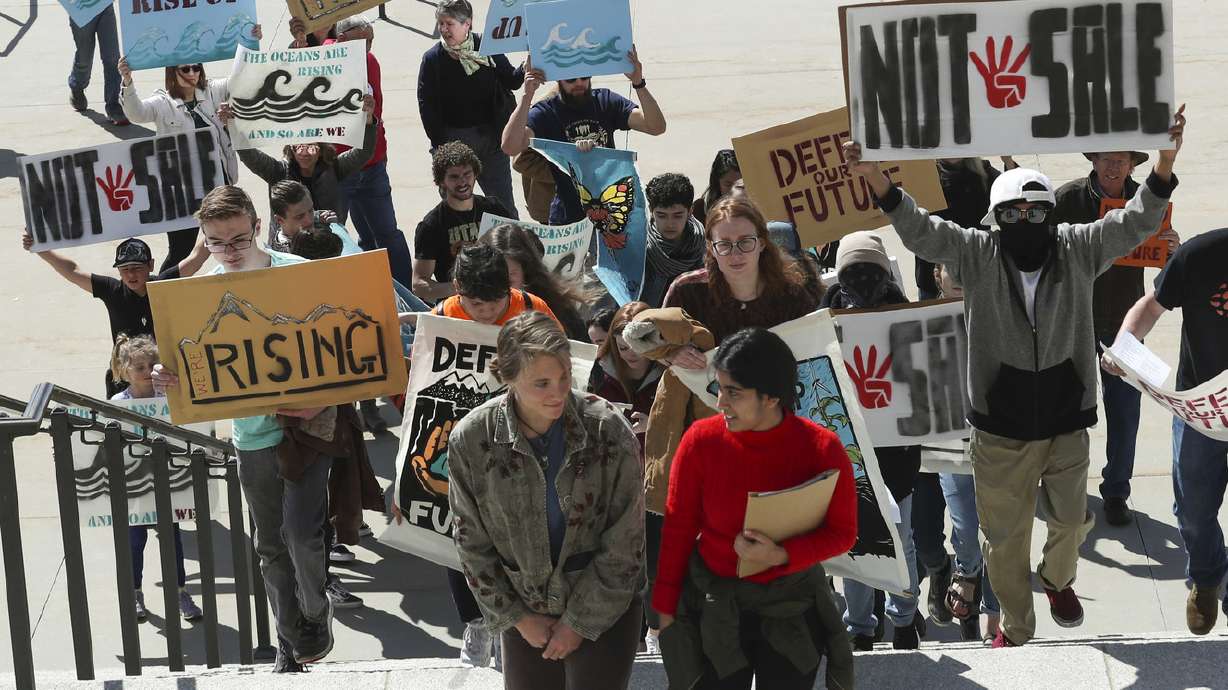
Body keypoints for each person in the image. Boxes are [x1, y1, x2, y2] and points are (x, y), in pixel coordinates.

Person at [841, 104, 1187, 648]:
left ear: (1050, 215)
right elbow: (920, 230)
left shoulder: (1078, 247)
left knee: (1072, 522)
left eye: (1035, 214)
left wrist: (1164, 163)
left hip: (1066, 417)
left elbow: (1137, 221)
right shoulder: (978, 254)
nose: (1023, 224)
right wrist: (878, 181)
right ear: (994, 220)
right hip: (998, 427)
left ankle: (1057, 580)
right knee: (1004, 541)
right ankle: (1016, 632)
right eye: (1012, 215)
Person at [151, 186, 334, 671]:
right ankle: (289, 646)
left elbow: (342, 354)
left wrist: (320, 399)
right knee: (269, 546)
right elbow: (190, 365)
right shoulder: (199, 294)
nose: (228, 252)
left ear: (256, 226)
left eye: (236, 239)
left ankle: (317, 613)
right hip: (250, 437)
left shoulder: (298, 274)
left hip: (307, 428)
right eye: (216, 242)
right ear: (204, 241)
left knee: (301, 536)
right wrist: (166, 377)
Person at [448, 311, 645, 690]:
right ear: (508, 377)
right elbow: (470, 543)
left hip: (604, 605)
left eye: (564, 377)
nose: (557, 392)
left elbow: (626, 543)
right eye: (541, 383)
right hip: (525, 610)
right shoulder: (472, 439)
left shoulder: (606, 428)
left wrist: (577, 624)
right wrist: (517, 618)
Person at [653, 327, 856, 689]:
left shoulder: (821, 448)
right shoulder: (700, 441)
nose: (720, 403)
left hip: (792, 607)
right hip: (714, 606)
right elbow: (678, 528)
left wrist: (782, 555)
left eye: (734, 393)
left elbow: (843, 533)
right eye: (718, 388)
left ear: (772, 397)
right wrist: (666, 609)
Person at [425, 243, 562, 668]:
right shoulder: (444, 315)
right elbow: (422, 389)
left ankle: (512, 623)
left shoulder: (532, 308)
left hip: (524, 444)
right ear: (459, 290)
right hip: (464, 447)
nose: (486, 313)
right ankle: (475, 622)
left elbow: (560, 366)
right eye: (477, 303)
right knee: (461, 536)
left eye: (495, 302)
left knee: (517, 537)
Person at [1102, 227, 1228, 636]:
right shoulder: (1200, 254)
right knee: (1193, 509)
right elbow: (1153, 305)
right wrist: (1125, 345)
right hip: (1201, 410)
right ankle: (1206, 577)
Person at [1052, 151, 1181, 527]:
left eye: (1121, 161)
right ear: (1093, 161)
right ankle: (1066, 491)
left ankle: (1117, 492)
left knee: (1125, 413)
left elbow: (1167, 270)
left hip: (1125, 324)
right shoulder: (1067, 200)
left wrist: (1171, 250)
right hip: (1073, 322)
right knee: (1068, 415)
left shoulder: (1148, 201)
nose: (1113, 166)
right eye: (1106, 159)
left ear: (1132, 166)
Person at [819, 232, 925, 650]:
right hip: (849, 451)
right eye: (853, 271)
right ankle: (860, 627)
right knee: (857, 541)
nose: (863, 279)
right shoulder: (823, 318)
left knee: (901, 539)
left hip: (897, 452)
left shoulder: (905, 316)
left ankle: (902, 619)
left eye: (871, 271)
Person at [118, 28, 259, 271]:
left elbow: (245, 76)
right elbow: (135, 113)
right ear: (173, 72)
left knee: (234, 244)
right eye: (186, 69)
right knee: (181, 251)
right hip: (181, 191)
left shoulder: (214, 90)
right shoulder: (163, 103)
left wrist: (251, 40)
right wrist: (128, 81)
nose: (193, 73)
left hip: (219, 186)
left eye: (197, 68)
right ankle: (163, 294)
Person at [21, 233, 210, 396]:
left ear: (151, 265)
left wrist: (215, 226)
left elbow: (196, 258)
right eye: (124, 269)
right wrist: (40, 249)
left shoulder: (162, 285)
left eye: (137, 267)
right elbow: (73, 271)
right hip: (124, 377)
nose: (130, 274)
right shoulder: (112, 290)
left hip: (162, 374)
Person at [501, 48, 666, 224]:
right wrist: (527, 95)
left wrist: (638, 83)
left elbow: (656, 126)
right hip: (567, 217)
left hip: (609, 211)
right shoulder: (546, 112)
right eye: (571, 79)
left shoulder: (605, 101)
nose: (579, 83)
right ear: (558, 80)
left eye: (584, 77)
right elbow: (510, 146)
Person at [929, 263, 1001, 643]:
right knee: (966, 529)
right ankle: (968, 573)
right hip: (950, 444)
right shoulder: (918, 321)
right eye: (949, 264)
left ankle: (994, 616)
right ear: (936, 274)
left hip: (997, 442)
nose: (958, 274)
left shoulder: (997, 312)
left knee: (1001, 532)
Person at [109, 334, 203, 624]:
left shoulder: (168, 398)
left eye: (153, 364)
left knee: (172, 542)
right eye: (139, 367)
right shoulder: (117, 403)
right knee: (134, 542)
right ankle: (134, 592)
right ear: (124, 370)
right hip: (133, 486)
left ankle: (179, 592)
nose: (148, 371)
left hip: (166, 483)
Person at [588, 301, 664, 652]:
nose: (631, 355)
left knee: (657, 562)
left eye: (639, 347)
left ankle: (657, 630)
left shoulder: (672, 371)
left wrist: (656, 425)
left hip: (659, 482)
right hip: (612, 482)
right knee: (618, 562)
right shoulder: (598, 372)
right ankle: (628, 636)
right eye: (622, 348)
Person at [331, 14, 415, 290]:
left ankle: (406, 294)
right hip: (339, 169)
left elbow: (376, 110)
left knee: (387, 233)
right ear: (341, 40)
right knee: (338, 236)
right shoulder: (322, 60)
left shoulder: (369, 61)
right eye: (363, 42)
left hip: (372, 163)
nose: (368, 48)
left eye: (371, 41)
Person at [418, 0, 524, 214]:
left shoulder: (487, 46)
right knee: (458, 210)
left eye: (449, 24)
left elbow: (511, 80)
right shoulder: (432, 59)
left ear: (467, 24)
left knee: (504, 207)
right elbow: (426, 107)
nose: (443, 29)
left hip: (491, 142)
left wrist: (528, 66)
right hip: (454, 144)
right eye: (440, 24)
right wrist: (442, 148)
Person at [230, 98, 377, 223]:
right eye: (299, 146)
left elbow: (363, 153)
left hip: (329, 241)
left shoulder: (335, 167)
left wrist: (368, 120)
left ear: (321, 150)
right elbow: (249, 155)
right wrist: (232, 125)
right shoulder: (277, 172)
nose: (304, 152)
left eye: (311, 147)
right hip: (289, 246)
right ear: (291, 149)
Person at [413, 142, 513, 301]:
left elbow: (518, 251)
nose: (462, 182)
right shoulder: (431, 225)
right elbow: (419, 284)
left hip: (499, 296)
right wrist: (463, 287)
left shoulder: (494, 208)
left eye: (467, 174)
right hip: (459, 303)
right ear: (441, 181)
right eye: (454, 177)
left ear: (475, 174)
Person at [915, 157, 1018, 300]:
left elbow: (1015, 194)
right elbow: (899, 207)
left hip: (976, 271)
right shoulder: (920, 174)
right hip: (932, 275)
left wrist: (1009, 162)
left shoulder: (983, 171)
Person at [479, 223, 587, 340]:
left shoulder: (561, 315)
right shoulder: (463, 308)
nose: (498, 292)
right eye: (490, 281)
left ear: (526, 274)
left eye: (508, 282)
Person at [640, 173, 706, 308]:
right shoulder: (640, 246)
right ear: (651, 211)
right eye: (662, 216)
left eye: (677, 216)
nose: (670, 224)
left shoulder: (702, 245)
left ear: (690, 212)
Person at [68, 4, 125, 125]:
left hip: (105, 5)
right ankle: (77, 86)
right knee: (84, 56)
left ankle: (113, 104)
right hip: (80, 8)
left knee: (112, 56)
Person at [691, 149, 740, 222]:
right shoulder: (700, 210)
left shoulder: (755, 208)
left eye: (739, 184)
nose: (734, 190)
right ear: (717, 183)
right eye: (728, 184)